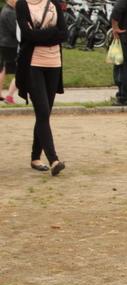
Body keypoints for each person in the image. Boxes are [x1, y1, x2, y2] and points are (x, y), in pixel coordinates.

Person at [15, 0, 66, 176]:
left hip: (54, 64)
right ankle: (54, 160)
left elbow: (64, 34)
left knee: (44, 114)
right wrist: (52, 33)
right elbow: (28, 35)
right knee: (43, 111)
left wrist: (40, 34)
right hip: (33, 64)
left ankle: (35, 158)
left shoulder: (54, 3)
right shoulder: (22, 5)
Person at [0, 0, 19, 104]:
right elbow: (15, 30)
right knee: (21, 70)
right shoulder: (10, 12)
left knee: (3, 69)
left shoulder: (6, 10)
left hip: (5, 44)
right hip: (10, 45)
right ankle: (9, 96)